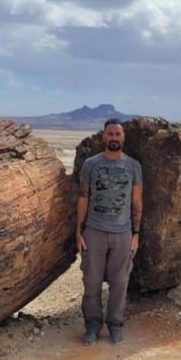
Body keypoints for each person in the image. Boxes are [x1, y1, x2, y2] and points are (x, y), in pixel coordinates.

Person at [76, 119, 143, 345]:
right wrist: (79, 230)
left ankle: (115, 325)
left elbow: (137, 201)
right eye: (110, 134)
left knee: (120, 282)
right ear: (104, 137)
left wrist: (136, 233)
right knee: (91, 282)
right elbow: (83, 197)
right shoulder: (91, 165)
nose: (114, 138)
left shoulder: (134, 166)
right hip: (94, 230)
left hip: (123, 233)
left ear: (123, 138)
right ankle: (92, 326)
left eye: (117, 134)